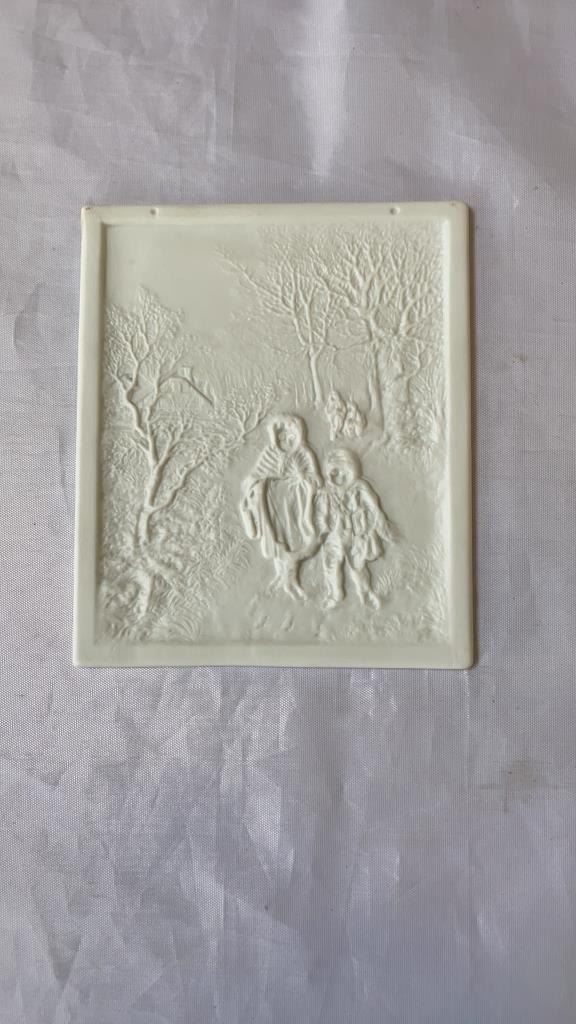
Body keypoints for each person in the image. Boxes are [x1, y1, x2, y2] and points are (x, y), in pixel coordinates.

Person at [240, 416, 322, 600]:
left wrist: (304, 478)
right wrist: (258, 483)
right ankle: (281, 576)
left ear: (298, 436)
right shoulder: (270, 453)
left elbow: (316, 480)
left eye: (291, 437)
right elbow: (254, 477)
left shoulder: (304, 454)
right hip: (273, 504)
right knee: (276, 539)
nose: (286, 441)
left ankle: (291, 578)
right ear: (275, 437)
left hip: (296, 505)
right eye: (282, 437)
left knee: (294, 540)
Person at [317, 448, 394, 611]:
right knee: (330, 564)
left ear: (352, 470)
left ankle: (365, 593)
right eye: (334, 472)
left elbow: (373, 507)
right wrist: (322, 529)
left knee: (357, 566)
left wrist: (379, 525)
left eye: (343, 471)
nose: (339, 476)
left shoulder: (359, 488)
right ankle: (334, 594)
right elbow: (321, 512)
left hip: (355, 534)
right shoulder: (326, 491)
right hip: (333, 535)